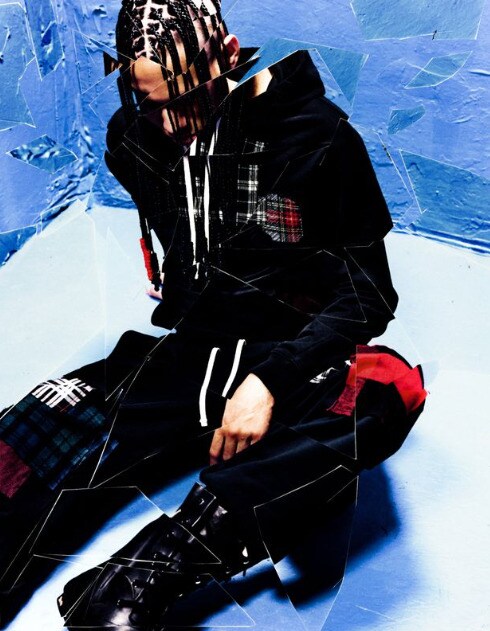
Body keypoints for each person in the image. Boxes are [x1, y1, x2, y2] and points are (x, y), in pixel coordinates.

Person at [0, 1, 426, 628]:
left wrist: (269, 381)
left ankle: (139, 578)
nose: (172, 124)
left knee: (388, 390)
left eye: (186, 99)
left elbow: (370, 294)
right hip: (190, 355)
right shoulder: (131, 141)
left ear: (227, 54)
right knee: (36, 422)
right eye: (152, 104)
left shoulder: (315, 138)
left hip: (289, 358)